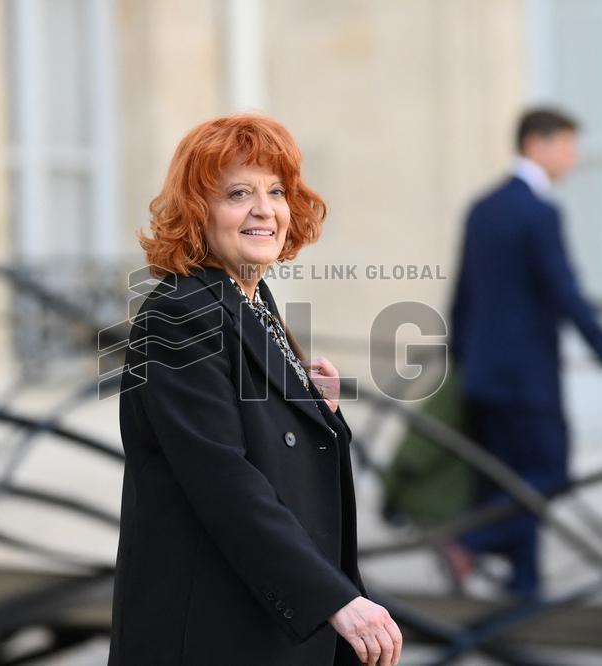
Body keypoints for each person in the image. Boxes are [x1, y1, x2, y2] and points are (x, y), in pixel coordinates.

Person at [109, 114, 402, 666]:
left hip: (260, 624)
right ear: (199, 212)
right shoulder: (179, 313)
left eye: (276, 191)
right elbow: (223, 479)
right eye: (238, 193)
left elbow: (262, 442)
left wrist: (316, 410)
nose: (264, 209)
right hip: (210, 634)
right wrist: (332, 597)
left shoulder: (247, 298)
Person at [449, 107, 602, 597]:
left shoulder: (482, 206)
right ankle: (470, 542)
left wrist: (457, 361)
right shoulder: (539, 212)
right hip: (527, 376)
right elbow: (565, 291)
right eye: (567, 147)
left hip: (484, 372)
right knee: (550, 475)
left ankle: (524, 586)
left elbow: (463, 295)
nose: (573, 160)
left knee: (511, 481)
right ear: (536, 144)